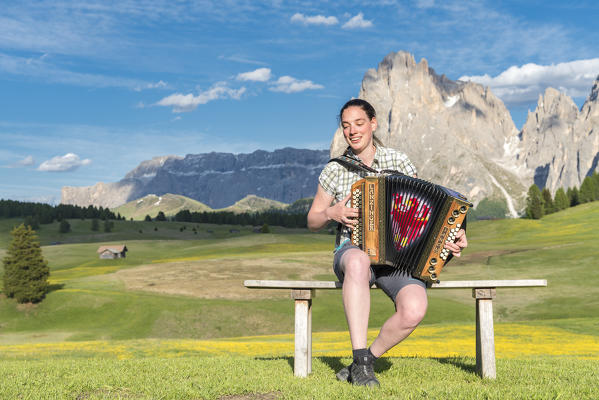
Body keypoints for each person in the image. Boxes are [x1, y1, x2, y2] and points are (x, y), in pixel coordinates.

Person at [307, 99, 467, 387]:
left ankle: (364, 362)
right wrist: (332, 212)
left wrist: (452, 234)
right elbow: (312, 219)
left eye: (358, 123)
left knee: (415, 309)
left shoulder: (399, 161)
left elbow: (425, 209)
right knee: (358, 259)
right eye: (346, 126)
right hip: (352, 251)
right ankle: (359, 357)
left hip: (398, 256)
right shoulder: (335, 169)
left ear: (373, 124)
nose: (352, 131)